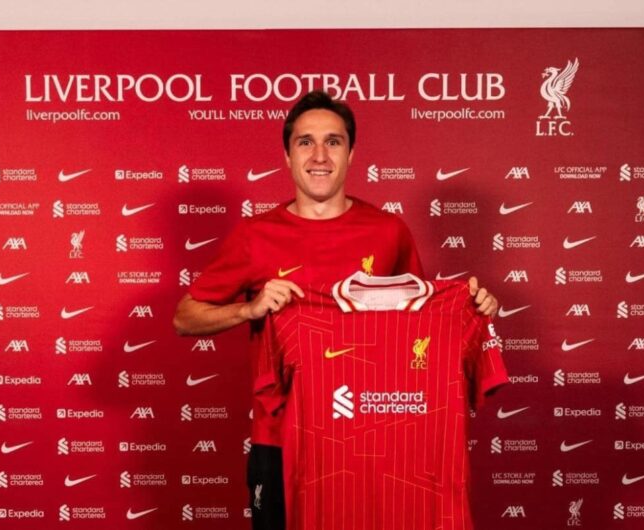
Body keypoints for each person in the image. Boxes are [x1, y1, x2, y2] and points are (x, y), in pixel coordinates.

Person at [173, 90, 498, 530]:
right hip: (280, 440)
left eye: (333, 141)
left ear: (351, 154)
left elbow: (419, 327)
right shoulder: (255, 235)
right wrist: (249, 309)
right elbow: (184, 317)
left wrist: (475, 308)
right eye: (305, 142)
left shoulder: (388, 231)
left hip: (370, 437)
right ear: (287, 156)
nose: (320, 155)